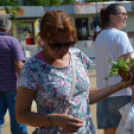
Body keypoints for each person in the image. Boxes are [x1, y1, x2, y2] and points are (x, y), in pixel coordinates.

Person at [16, 10, 134, 134]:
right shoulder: (32, 68)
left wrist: (122, 85)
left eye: (69, 43)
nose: (63, 50)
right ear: (42, 38)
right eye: (56, 45)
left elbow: (86, 96)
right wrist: (53, 119)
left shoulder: (78, 56)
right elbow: (21, 115)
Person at [94, 4, 134, 134]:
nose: (126, 17)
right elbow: (127, 67)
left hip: (104, 93)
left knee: (109, 131)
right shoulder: (120, 35)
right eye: (122, 14)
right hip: (123, 92)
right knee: (128, 130)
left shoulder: (99, 37)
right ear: (111, 17)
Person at [0, 17, 27, 134]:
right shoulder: (13, 41)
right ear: (9, 29)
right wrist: (25, 84)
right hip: (13, 86)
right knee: (18, 119)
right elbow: (19, 66)